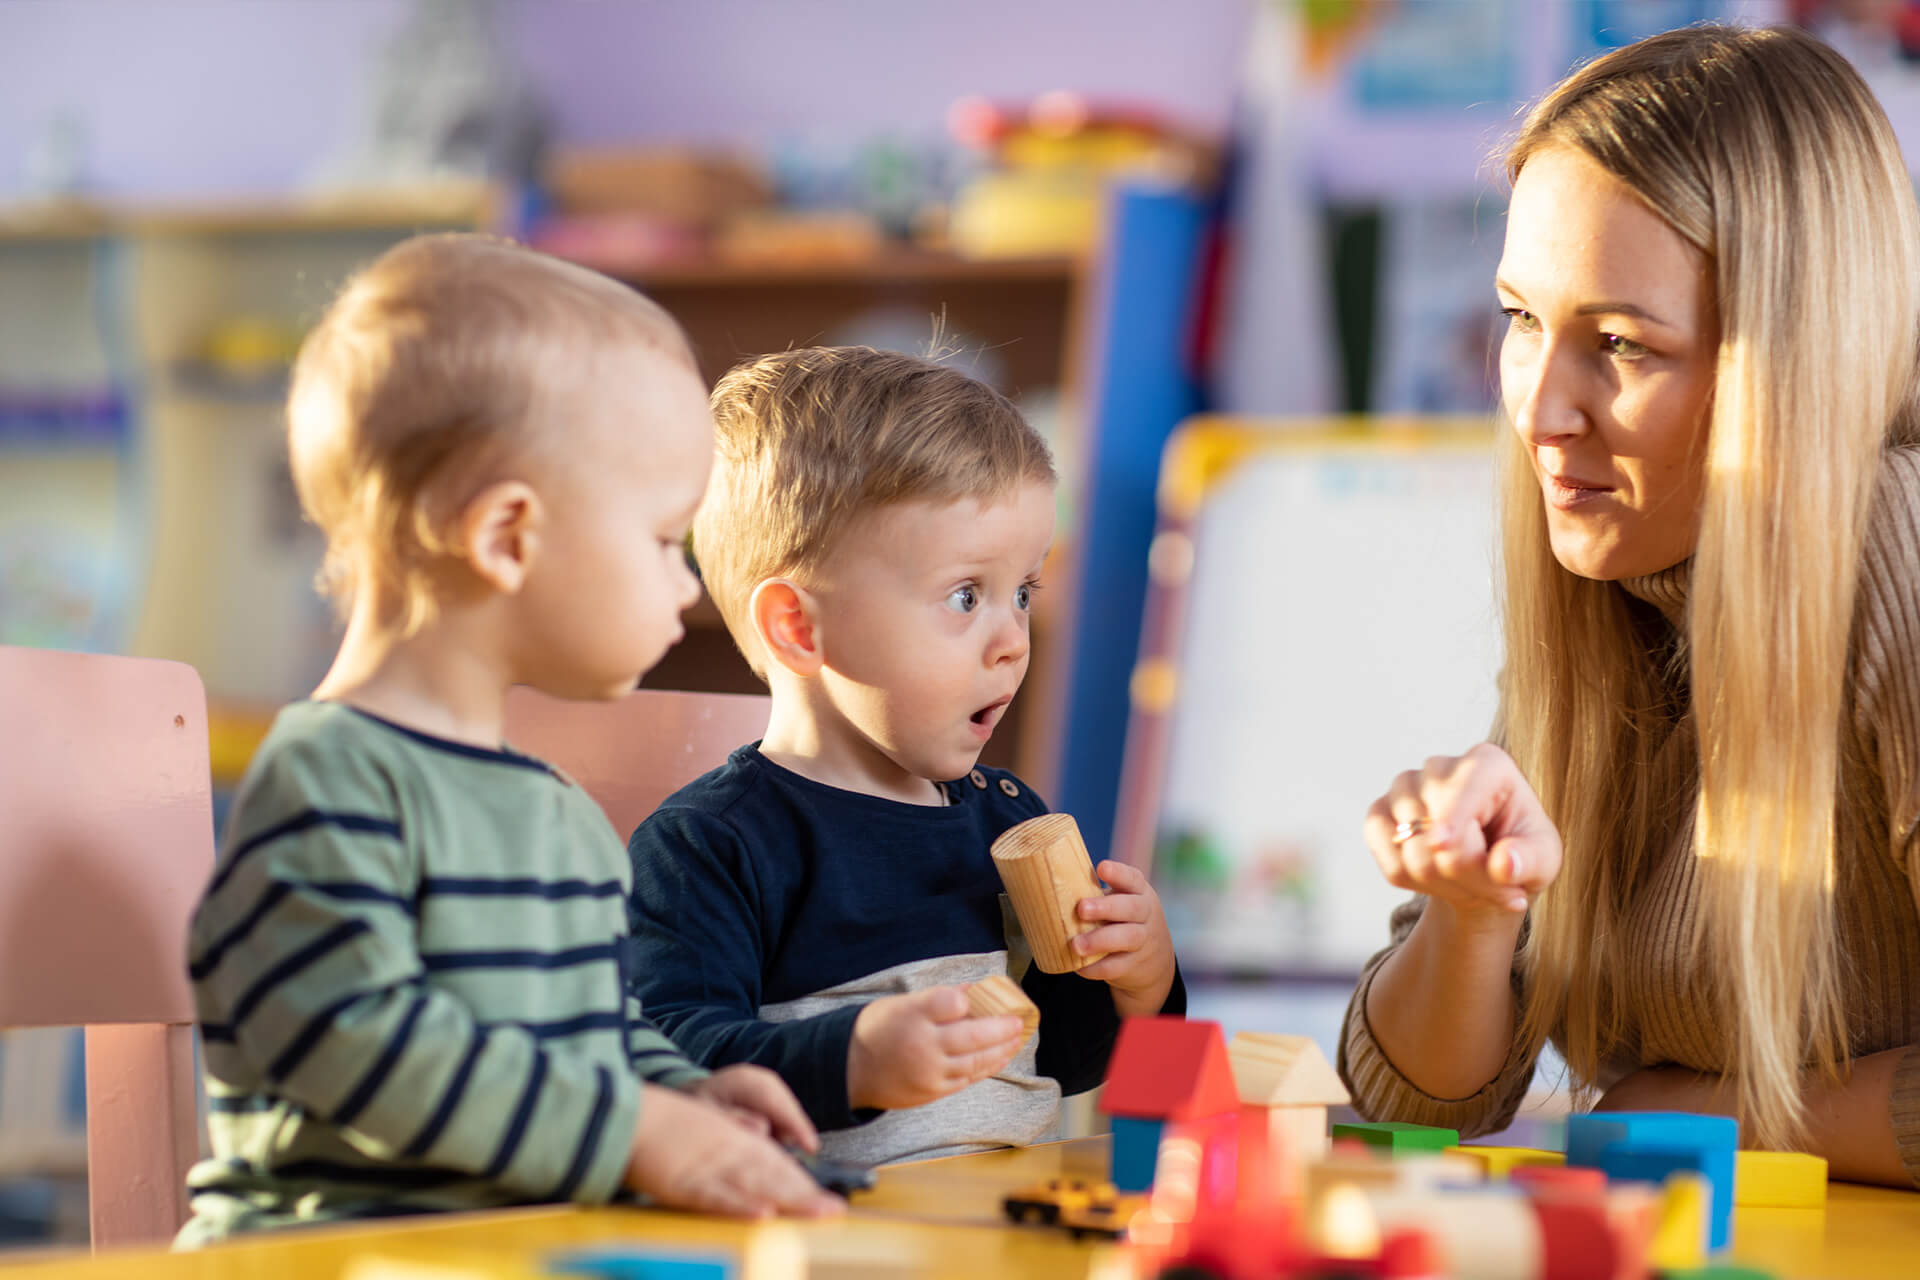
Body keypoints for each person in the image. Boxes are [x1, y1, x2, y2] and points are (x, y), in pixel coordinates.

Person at [1339, 23, 1920, 1189]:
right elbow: (1423, 1100)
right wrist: (1470, 909)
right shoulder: (1626, 587)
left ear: (1790, 361)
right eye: (1519, 320)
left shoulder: (1898, 577)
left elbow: (1639, 1118)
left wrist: (1700, 1113)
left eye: (1619, 344)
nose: (1541, 411)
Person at [179, 234, 841, 1243]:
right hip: (327, 1251)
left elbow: (586, 1033)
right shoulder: (334, 776)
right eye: (666, 538)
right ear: (508, 537)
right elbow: (353, 1037)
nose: (686, 583)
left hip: (503, 1246)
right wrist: (633, 1130)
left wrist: (685, 1094)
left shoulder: (552, 805)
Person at [626, 346, 1185, 1165]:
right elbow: (670, 1061)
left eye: (1022, 593)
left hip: (1004, 1224)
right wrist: (852, 1060)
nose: (1012, 644)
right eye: (966, 596)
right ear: (799, 628)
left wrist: (1142, 984)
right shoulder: (710, 845)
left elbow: (1064, 1063)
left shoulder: (1008, 818)